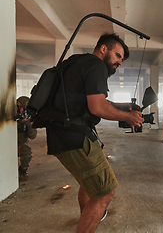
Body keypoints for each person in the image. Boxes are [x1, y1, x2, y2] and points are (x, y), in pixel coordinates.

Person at [34, 33, 144, 233]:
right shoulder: (96, 66)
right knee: (104, 194)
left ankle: (89, 216)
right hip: (76, 137)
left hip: (60, 133)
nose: (119, 62)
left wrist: (123, 106)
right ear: (103, 49)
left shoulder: (76, 62)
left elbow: (90, 100)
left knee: (89, 184)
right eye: (118, 55)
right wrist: (127, 117)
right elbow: (97, 108)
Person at [16, 96, 37, 181]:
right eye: (22, 108)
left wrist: (29, 124)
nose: (23, 111)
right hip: (7, 143)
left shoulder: (28, 119)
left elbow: (32, 136)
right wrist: (18, 122)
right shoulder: (11, 116)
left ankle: (22, 171)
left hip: (20, 143)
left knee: (26, 151)